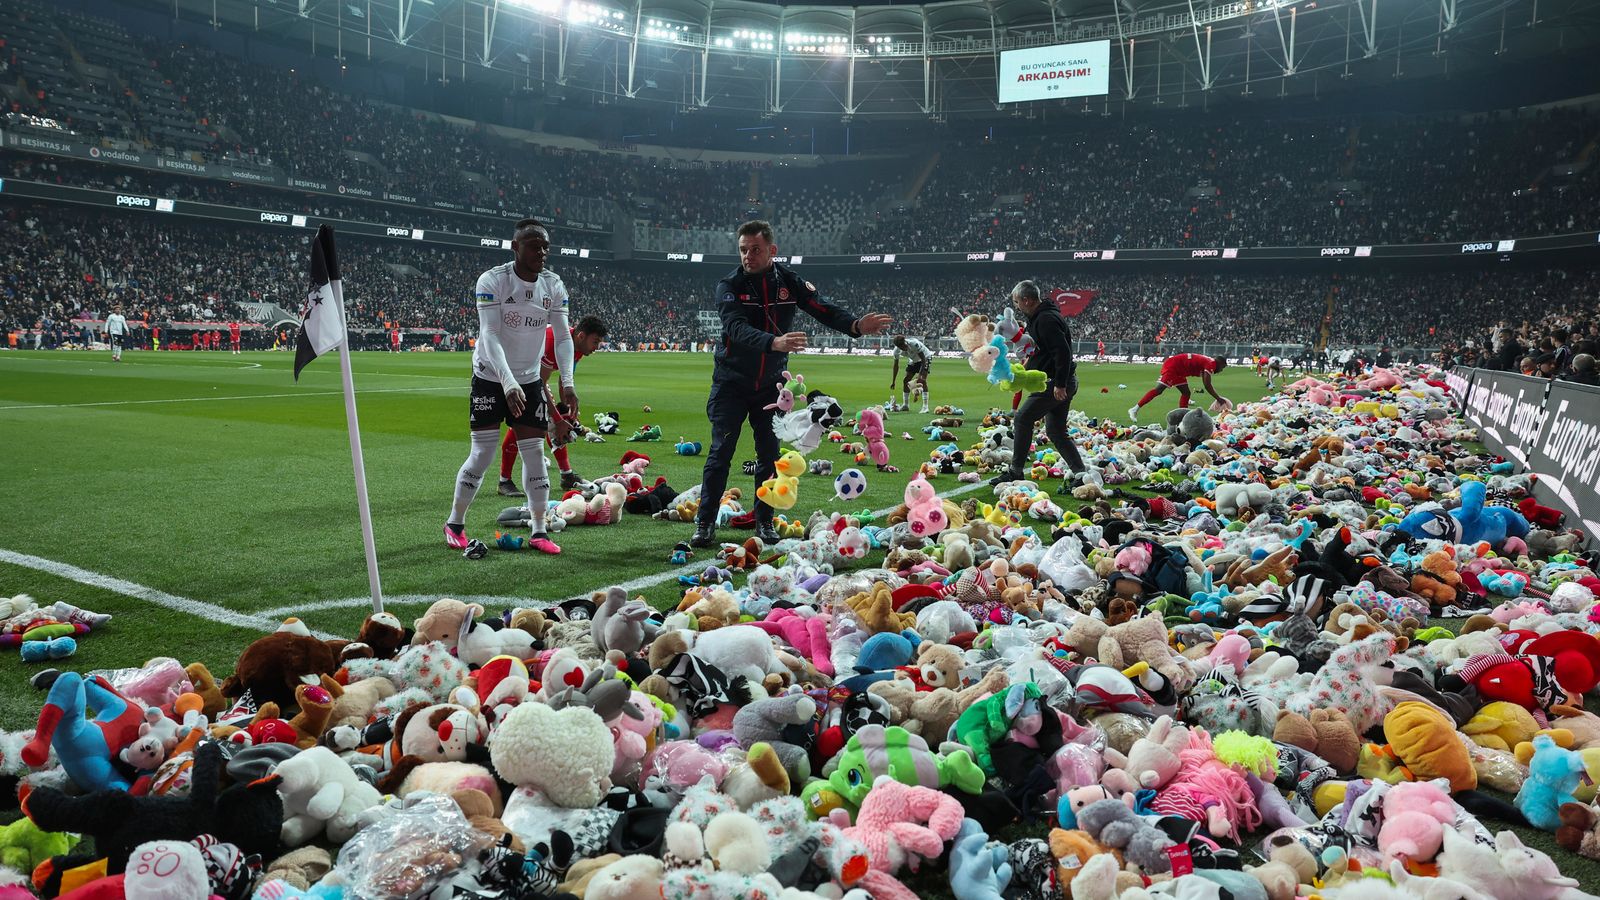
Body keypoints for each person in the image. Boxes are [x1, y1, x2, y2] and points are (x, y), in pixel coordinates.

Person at [689, 220, 891, 549]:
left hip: (771, 388)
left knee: (769, 455)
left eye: (755, 250)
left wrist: (854, 325)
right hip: (731, 384)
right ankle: (705, 522)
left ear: (772, 251)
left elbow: (821, 307)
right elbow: (735, 329)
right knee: (720, 453)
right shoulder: (729, 285)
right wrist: (775, 343)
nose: (747, 256)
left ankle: (765, 521)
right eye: (743, 250)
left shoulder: (788, 281)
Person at [443, 218, 578, 556]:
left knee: (535, 453)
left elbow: (562, 336)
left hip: (530, 380)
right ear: (515, 247)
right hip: (491, 376)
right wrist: (507, 382)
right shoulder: (493, 280)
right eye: (534, 244)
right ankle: (455, 522)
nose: (542, 251)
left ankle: (539, 529)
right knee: (483, 452)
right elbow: (488, 334)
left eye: (546, 245)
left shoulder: (553, 285)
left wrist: (569, 382)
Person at [989, 281, 1089, 493]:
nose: (1016, 306)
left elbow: (1062, 351)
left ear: (1027, 300)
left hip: (1054, 383)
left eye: (1017, 302)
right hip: (1059, 381)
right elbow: (1045, 350)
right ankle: (1081, 474)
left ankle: (1016, 471)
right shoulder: (1042, 316)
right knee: (1056, 431)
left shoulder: (1045, 319)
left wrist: (1060, 383)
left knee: (1023, 418)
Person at [498, 315, 608, 496]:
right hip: (510, 371)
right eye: (595, 342)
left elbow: (565, 379)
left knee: (554, 419)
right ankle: (504, 480)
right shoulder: (552, 342)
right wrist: (558, 419)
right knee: (524, 421)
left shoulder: (577, 347)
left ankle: (566, 475)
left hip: (532, 374)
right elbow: (538, 384)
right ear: (581, 336)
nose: (596, 348)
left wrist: (567, 413)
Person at [1128, 352, 1231, 421]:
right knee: (1159, 390)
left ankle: (1183, 418)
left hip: (1180, 370)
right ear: (1220, 363)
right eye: (1223, 367)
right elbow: (1207, 385)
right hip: (1173, 367)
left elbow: (1206, 381)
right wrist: (1218, 398)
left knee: (1186, 393)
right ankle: (1134, 409)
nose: (1221, 370)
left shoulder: (1209, 362)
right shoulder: (1211, 364)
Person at [889, 334, 933, 413]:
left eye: (903, 345)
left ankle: (925, 407)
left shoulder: (914, 343)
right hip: (913, 360)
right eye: (901, 347)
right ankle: (906, 405)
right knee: (906, 380)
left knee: (922, 380)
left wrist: (919, 374)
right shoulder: (896, 351)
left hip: (925, 358)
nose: (903, 348)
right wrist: (893, 381)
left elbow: (923, 359)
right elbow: (896, 366)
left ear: (905, 342)